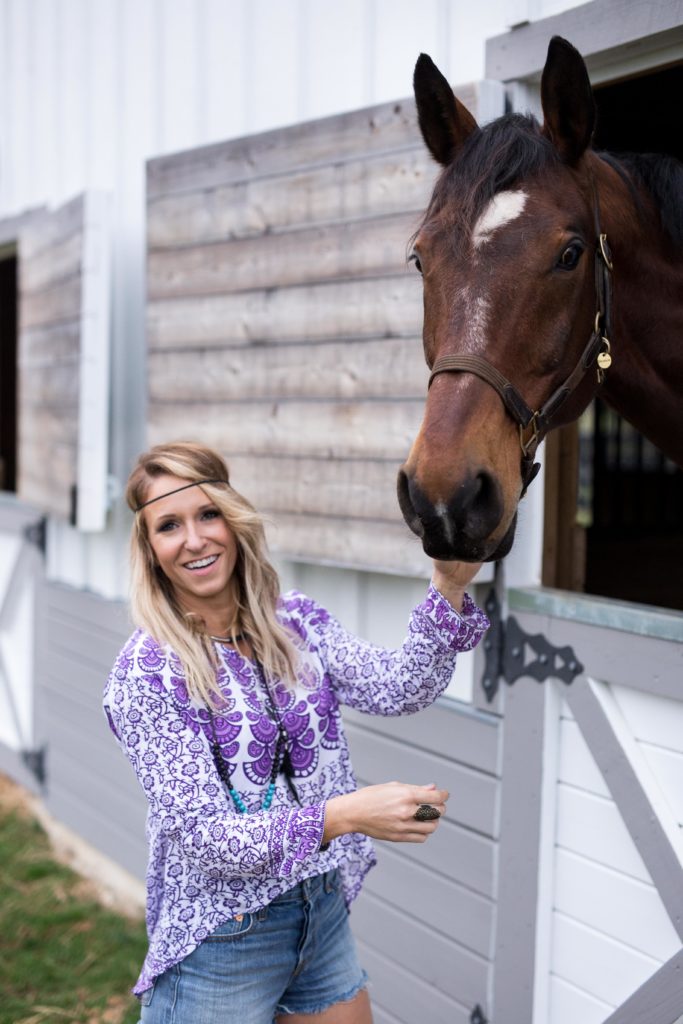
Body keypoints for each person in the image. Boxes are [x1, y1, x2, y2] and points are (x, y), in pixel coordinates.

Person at [104, 441, 489, 1024]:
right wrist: (348, 814)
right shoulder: (146, 674)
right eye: (169, 526)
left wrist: (449, 586)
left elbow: (397, 687)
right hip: (222, 937)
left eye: (208, 514)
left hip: (320, 908)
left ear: (234, 519)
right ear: (150, 549)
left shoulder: (295, 620)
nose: (195, 539)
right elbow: (210, 840)